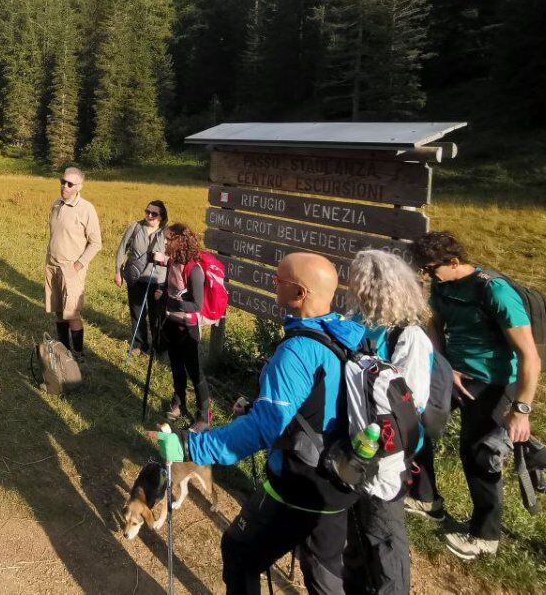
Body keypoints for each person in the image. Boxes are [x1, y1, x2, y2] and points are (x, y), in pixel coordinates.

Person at [185, 252, 366, 595]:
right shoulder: (347, 335)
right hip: (340, 482)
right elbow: (318, 404)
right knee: (325, 576)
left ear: (299, 294)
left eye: (279, 279)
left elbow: (262, 428)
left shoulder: (297, 351)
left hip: (297, 484)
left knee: (239, 553)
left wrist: (192, 446)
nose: (272, 283)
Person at [412, 230, 541, 560]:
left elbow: (530, 355)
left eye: (429, 269)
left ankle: (485, 536)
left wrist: (521, 409)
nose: (425, 276)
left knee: (478, 452)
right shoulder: (442, 285)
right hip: (454, 373)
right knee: (417, 424)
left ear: (454, 262)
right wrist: (443, 365)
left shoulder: (493, 290)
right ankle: (427, 500)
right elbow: (435, 326)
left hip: (494, 380)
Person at [342, 249, 434, 595]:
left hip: (387, 458)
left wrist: (381, 450)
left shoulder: (408, 338)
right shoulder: (355, 319)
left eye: (362, 282)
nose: (355, 288)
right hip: (352, 446)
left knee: (384, 539)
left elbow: (411, 404)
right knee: (354, 538)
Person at [44, 166, 102, 364]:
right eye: (62, 181)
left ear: (79, 187)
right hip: (53, 266)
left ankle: (78, 354)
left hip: (72, 269)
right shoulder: (56, 204)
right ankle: (63, 350)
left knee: (72, 314)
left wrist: (78, 265)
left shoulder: (86, 209)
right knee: (59, 311)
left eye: (70, 184)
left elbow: (96, 243)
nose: (64, 186)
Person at [159, 223, 212, 431]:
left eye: (167, 239)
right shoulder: (172, 262)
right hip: (171, 323)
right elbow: (169, 288)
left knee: (195, 371)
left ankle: (204, 416)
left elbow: (196, 305)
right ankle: (179, 402)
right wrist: (162, 295)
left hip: (188, 328)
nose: (164, 241)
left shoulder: (195, 269)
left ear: (178, 242)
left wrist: (172, 303)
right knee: (176, 366)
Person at [115, 199, 168, 355]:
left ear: (161, 216)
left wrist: (163, 258)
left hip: (158, 280)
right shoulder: (136, 227)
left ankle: (158, 347)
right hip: (135, 277)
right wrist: (118, 272)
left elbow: (174, 258)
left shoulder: (166, 232)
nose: (149, 215)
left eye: (154, 213)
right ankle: (139, 344)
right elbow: (121, 249)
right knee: (137, 313)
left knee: (156, 315)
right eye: (147, 211)